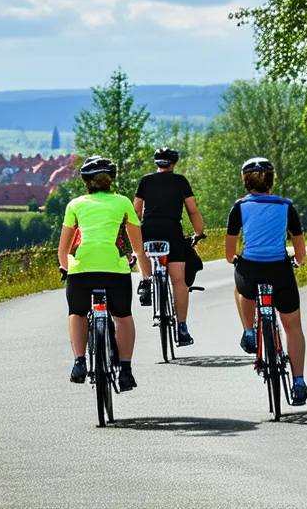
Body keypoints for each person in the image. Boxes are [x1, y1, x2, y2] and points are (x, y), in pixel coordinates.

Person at [58, 156, 150, 391]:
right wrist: (145, 276)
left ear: (85, 181)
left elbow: (63, 251)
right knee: (122, 316)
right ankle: (126, 370)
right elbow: (138, 249)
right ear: (111, 179)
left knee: (78, 313)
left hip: (81, 269)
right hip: (114, 269)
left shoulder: (75, 205)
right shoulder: (123, 203)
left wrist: (66, 268)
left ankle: (79, 362)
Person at [225, 157, 307, 406]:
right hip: (280, 271)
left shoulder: (239, 207)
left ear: (245, 181)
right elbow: (301, 254)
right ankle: (298, 382)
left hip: (250, 271)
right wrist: (298, 262)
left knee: (239, 289)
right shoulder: (287, 206)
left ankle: (250, 332)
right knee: (292, 327)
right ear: (271, 181)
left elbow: (230, 255)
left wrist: (238, 259)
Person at [133, 147, 205, 346]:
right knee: (178, 281)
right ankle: (182, 327)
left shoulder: (145, 181)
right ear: (174, 163)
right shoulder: (180, 181)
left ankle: (146, 280)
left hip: (149, 229)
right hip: (172, 230)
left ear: (157, 162)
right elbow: (192, 210)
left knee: (141, 250)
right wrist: (198, 232)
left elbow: (136, 211)